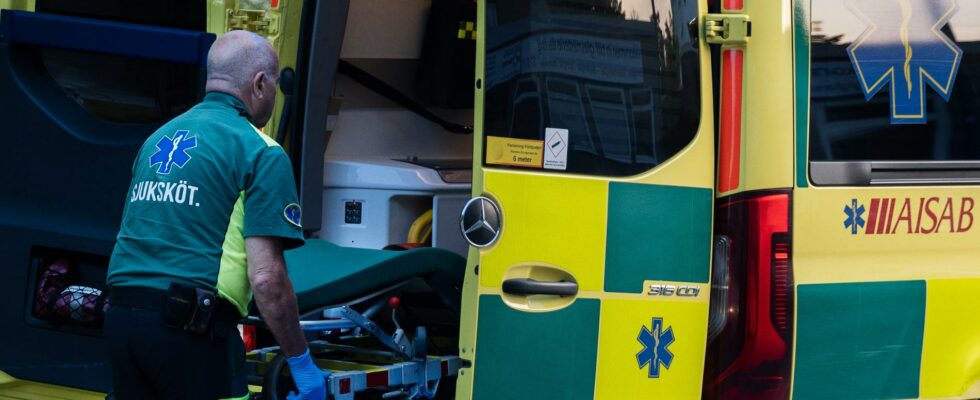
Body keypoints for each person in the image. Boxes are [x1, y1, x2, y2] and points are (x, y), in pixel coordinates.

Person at [103, 30, 326, 400]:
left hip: (122, 321)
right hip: (190, 331)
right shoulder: (260, 151)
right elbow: (267, 279)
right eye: (274, 85)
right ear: (259, 84)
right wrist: (301, 361)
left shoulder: (158, 139)